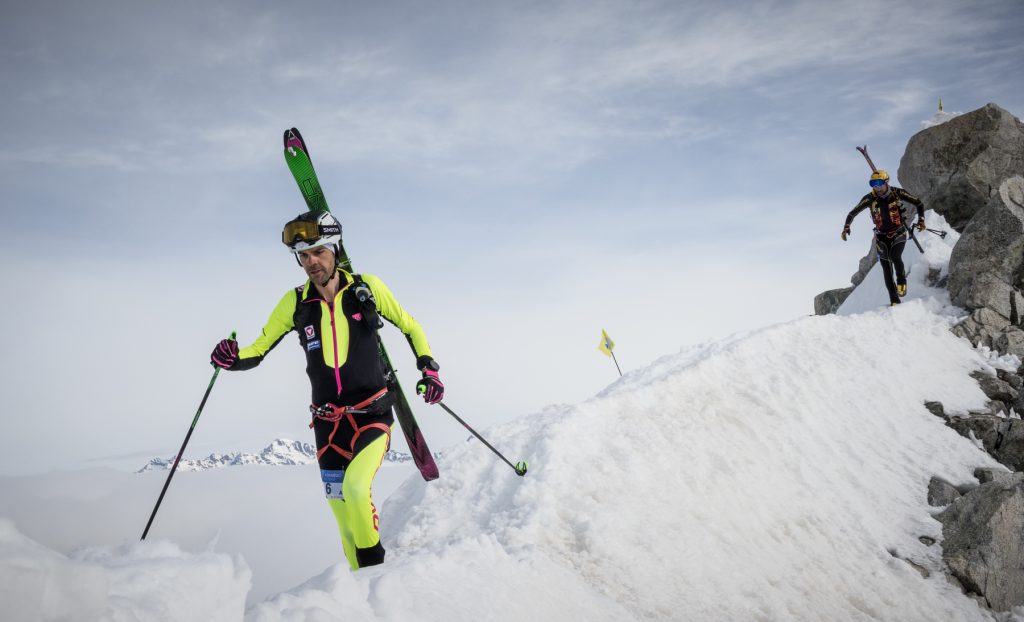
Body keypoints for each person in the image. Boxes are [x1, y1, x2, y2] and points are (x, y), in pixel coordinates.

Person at [209, 210, 444, 570]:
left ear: (334, 249)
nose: (311, 262)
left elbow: (411, 326)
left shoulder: (367, 289)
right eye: (303, 256)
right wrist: (231, 358)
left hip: (373, 416)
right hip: (327, 426)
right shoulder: (295, 303)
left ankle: (376, 580)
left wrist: (428, 368)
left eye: (318, 252)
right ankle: (357, 596)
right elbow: (258, 348)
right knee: (343, 519)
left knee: (355, 490)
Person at [841, 169, 926, 305]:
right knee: (886, 268)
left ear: (886, 182)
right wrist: (846, 227)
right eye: (873, 183)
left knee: (895, 257)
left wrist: (921, 220)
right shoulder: (870, 198)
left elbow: (919, 203)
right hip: (881, 237)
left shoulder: (897, 193)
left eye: (879, 183)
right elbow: (852, 213)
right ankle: (894, 300)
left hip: (898, 233)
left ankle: (901, 282)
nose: (877, 187)